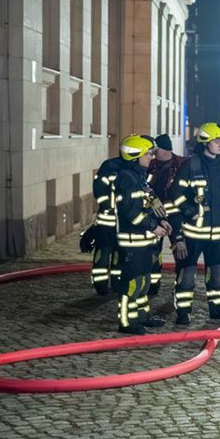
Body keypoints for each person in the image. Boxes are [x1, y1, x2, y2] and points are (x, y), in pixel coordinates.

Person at [167, 122, 220, 325]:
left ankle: (219, 310)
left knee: (217, 276)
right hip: (193, 235)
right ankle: (183, 313)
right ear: (205, 142)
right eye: (216, 141)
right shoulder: (191, 166)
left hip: (218, 236)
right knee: (187, 276)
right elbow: (175, 194)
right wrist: (189, 210)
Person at [112, 135, 171, 333]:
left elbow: (147, 205)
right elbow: (130, 212)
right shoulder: (125, 179)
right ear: (134, 155)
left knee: (144, 282)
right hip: (132, 242)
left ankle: (142, 316)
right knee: (132, 283)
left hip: (144, 241)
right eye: (147, 154)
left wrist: (161, 220)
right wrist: (152, 226)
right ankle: (127, 322)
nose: (151, 157)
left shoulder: (139, 177)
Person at [143, 134, 185, 297]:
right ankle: (153, 286)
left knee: (181, 251)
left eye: (155, 149)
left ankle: (181, 287)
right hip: (154, 216)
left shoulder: (182, 164)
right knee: (153, 251)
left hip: (176, 217)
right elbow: (144, 186)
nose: (152, 153)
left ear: (163, 149)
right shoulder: (149, 165)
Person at [84, 150, 126, 295]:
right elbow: (99, 190)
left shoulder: (135, 168)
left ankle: (116, 283)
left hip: (124, 223)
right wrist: (110, 207)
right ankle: (100, 285)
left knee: (119, 254)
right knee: (103, 253)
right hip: (107, 221)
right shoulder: (109, 166)